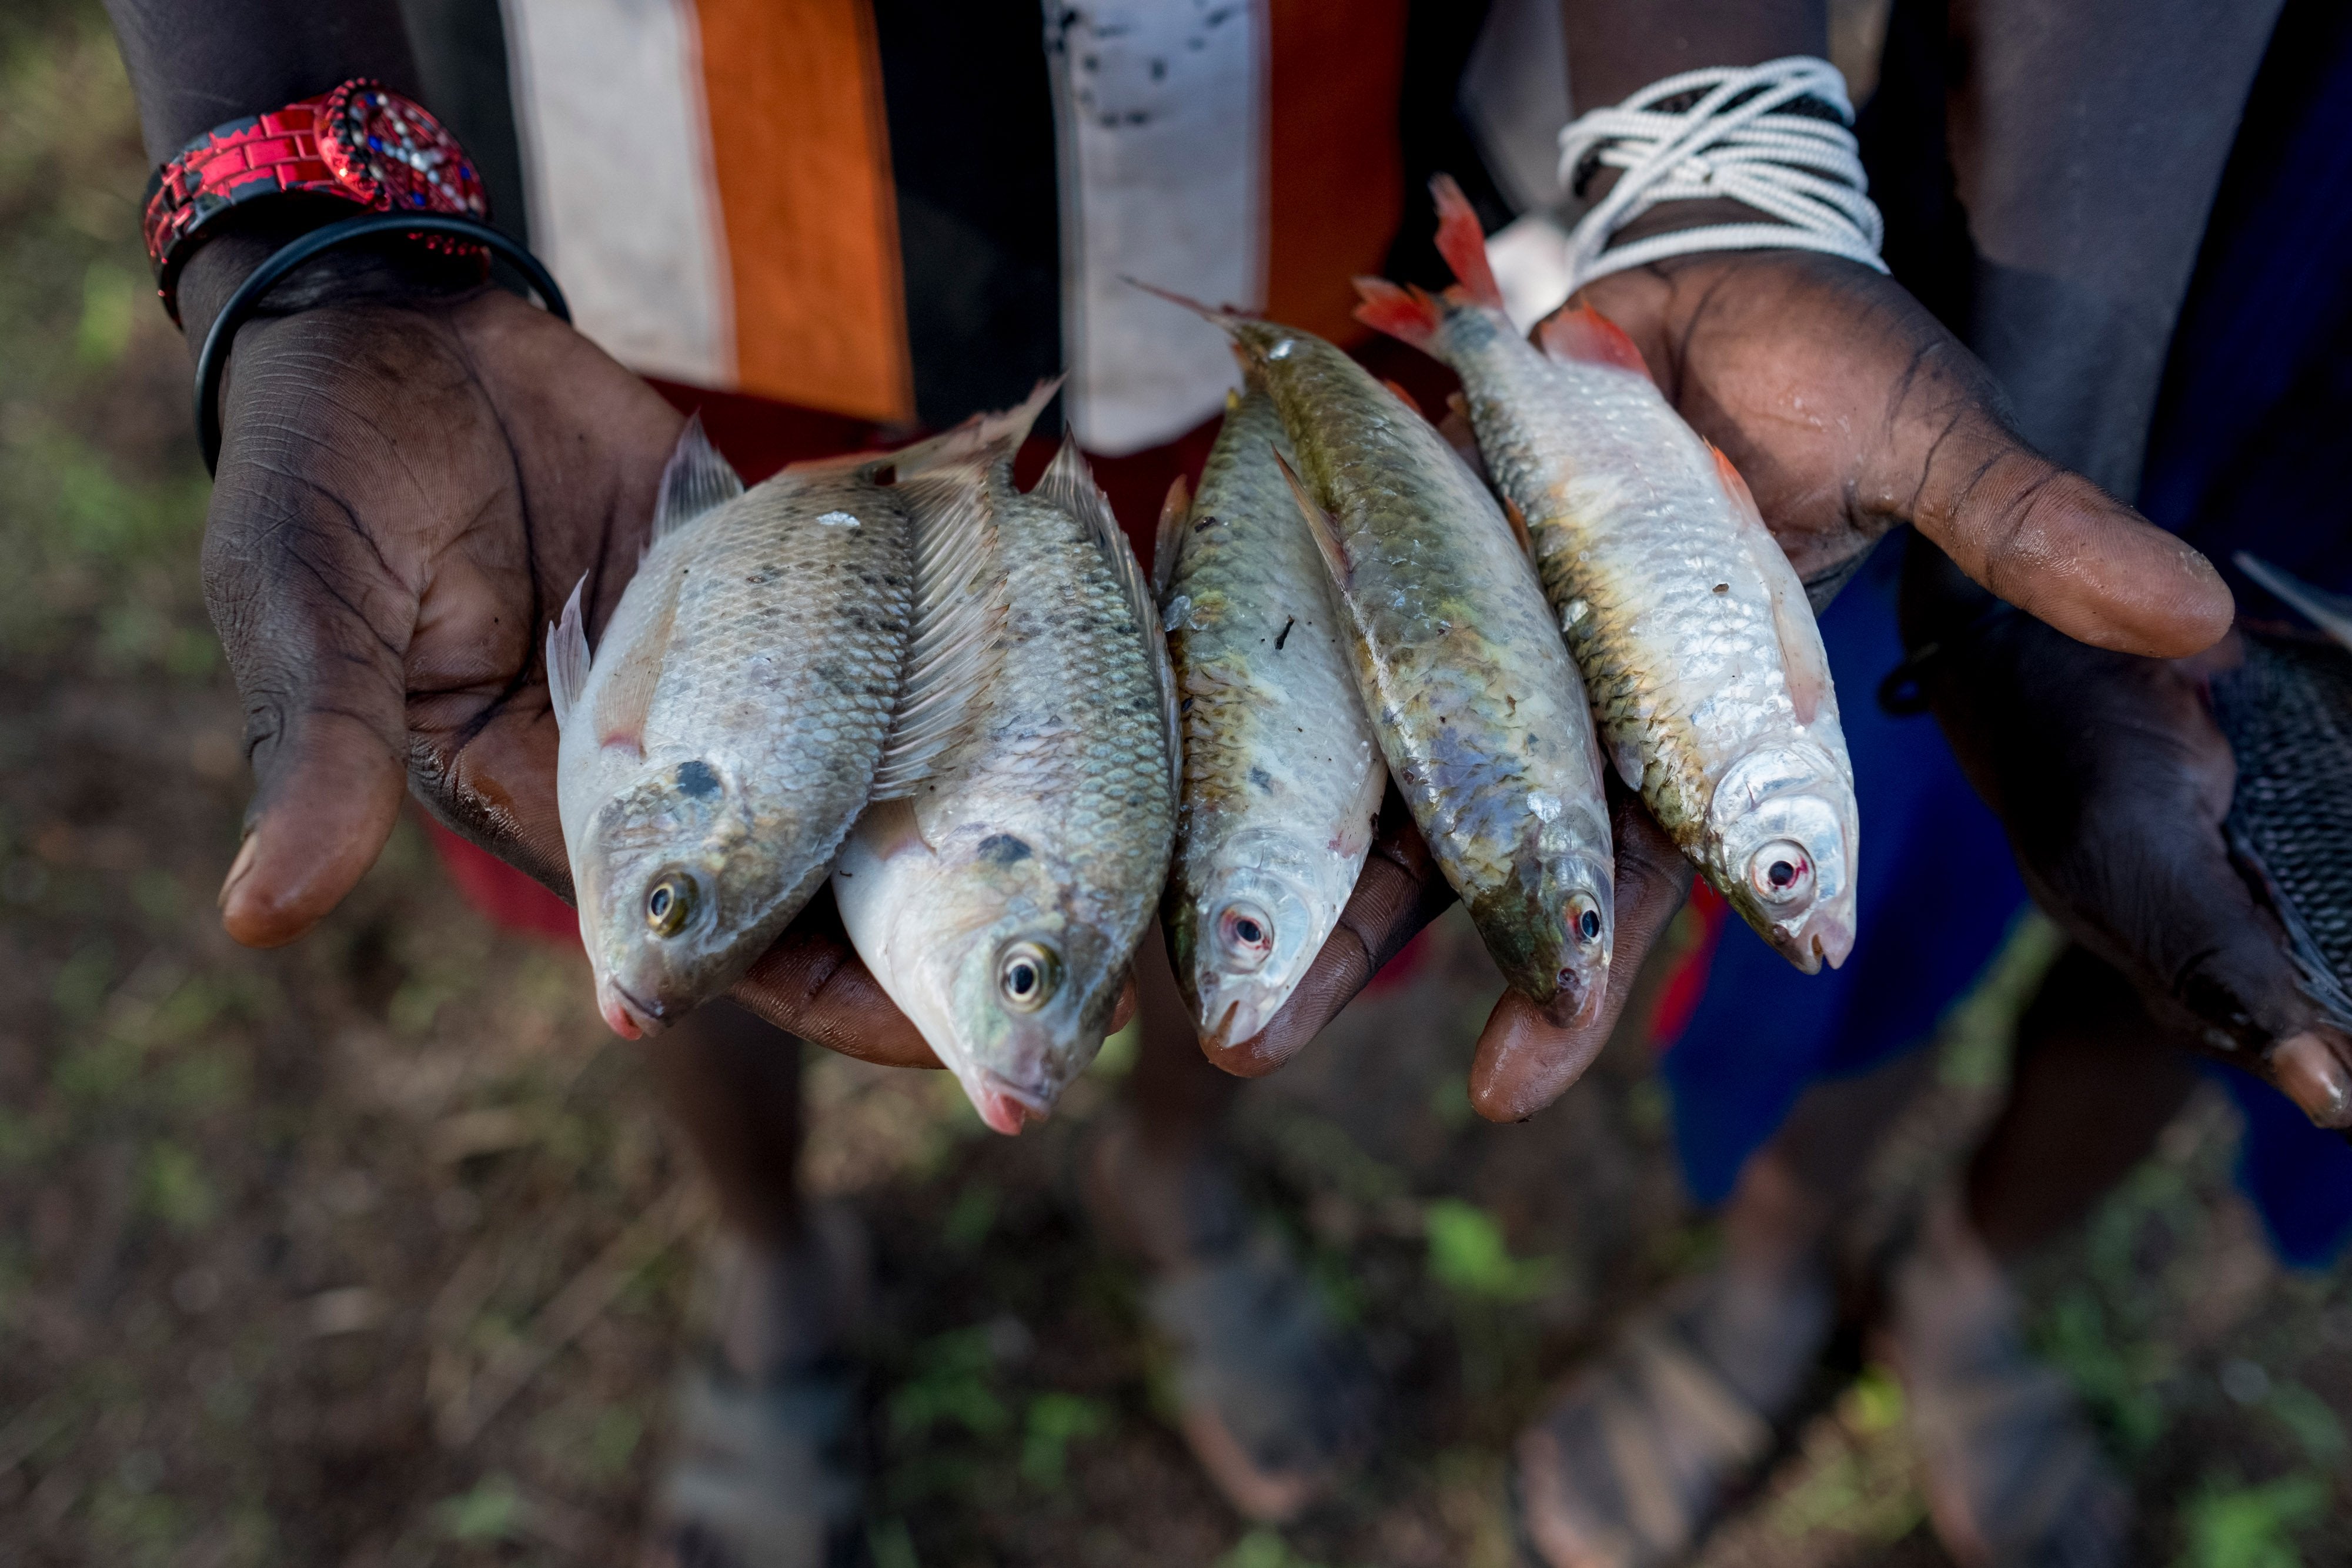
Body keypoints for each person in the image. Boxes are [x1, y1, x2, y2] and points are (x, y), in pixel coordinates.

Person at [93, 1, 2281, 1564]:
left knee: (1213, 804)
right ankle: (767, 1250)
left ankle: (1175, 1169)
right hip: (634, 223)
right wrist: (310, 199)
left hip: (1265, 138)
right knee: (665, 856)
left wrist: (1703, 147)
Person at [1506, 1, 2352, 1564]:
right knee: (1879, 888)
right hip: (2014, 287)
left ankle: (1978, 1276)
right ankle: (1770, 1264)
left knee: (2265, 938)